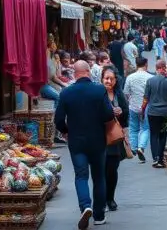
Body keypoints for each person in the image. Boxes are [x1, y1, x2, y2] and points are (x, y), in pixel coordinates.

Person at [54, 60, 115, 228]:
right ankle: (99, 215)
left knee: (81, 176)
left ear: (75, 73)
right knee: (99, 177)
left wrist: (66, 131)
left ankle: (85, 206)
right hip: (97, 140)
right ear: (88, 72)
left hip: (77, 141)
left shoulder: (66, 93)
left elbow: (58, 119)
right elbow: (109, 115)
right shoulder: (99, 90)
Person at [141, 59, 167, 168]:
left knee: (154, 134)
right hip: (166, 112)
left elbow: (145, 99)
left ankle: (155, 159)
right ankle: (161, 158)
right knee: (163, 134)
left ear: (156, 68)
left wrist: (142, 110)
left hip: (153, 112)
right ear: (165, 68)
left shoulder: (150, 81)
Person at [100, 66, 129, 212]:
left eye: (111, 78)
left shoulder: (119, 95)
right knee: (100, 170)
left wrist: (121, 112)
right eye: (106, 78)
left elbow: (126, 115)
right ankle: (102, 199)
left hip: (115, 138)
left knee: (112, 170)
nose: (109, 81)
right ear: (102, 79)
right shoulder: (98, 94)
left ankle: (110, 198)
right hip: (99, 137)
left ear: (116, 80)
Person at [122, 57, 153, 163]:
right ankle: (141, 147)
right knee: (145, 128)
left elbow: (126, 92)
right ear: (146, 64)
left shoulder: (130, 77)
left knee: (133, 127)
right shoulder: (150, 77)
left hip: (133, 106)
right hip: (146, 107)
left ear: (136, 64)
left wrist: (130, 101)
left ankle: (134, 148)